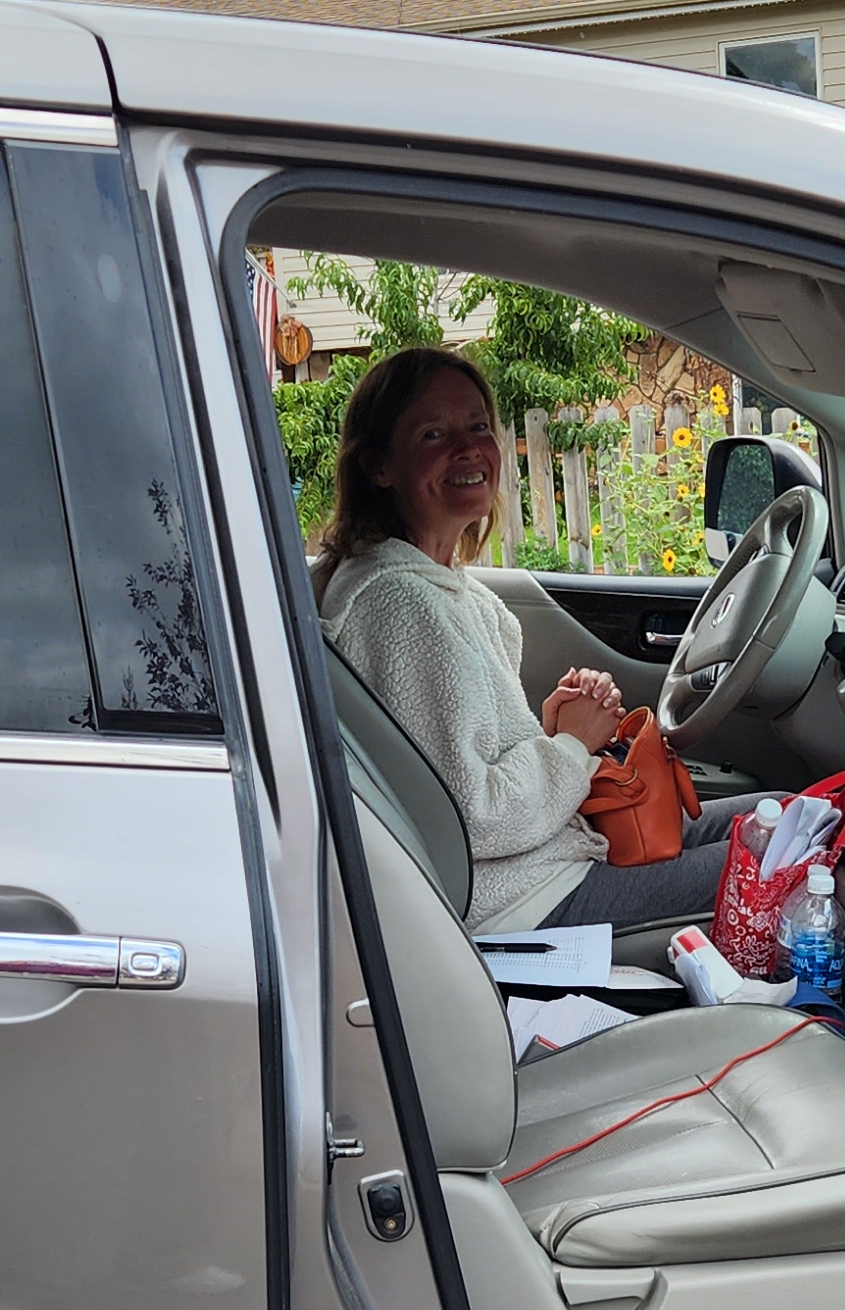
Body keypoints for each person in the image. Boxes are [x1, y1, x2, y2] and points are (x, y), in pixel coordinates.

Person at [311, 347, 775, 933]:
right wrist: (572, 749)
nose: (468, 448)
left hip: (548, 860)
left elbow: (465, 757)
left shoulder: (445, 589)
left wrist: (556, 728)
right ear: (380, 465)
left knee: (781, 816)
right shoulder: (398, 605)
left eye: (478, 426)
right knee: (788, 853)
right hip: (524, 901)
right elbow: (474, 820)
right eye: (434, 433)